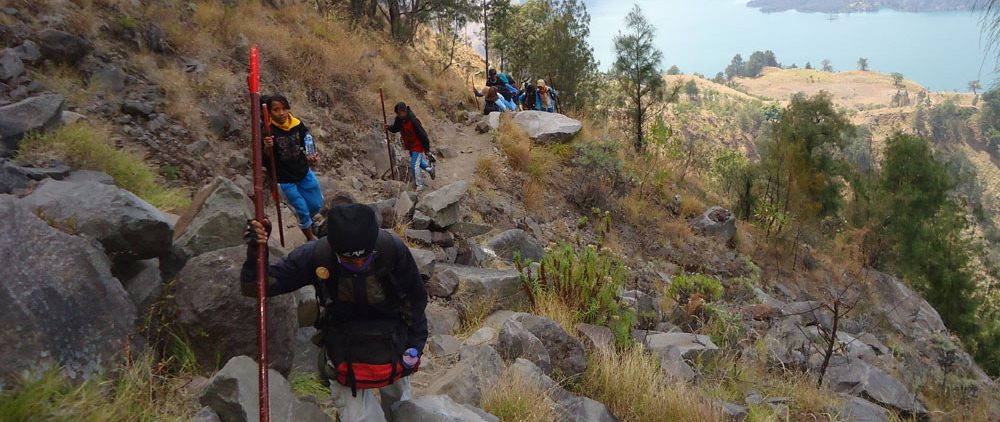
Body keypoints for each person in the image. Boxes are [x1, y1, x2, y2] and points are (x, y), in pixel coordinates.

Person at [241, 203, 429, 422]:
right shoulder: (317, 256)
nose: (358, 264)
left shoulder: (391, 250)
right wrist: (257, 250)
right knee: (363, 419)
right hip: (343, 347)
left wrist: (415, 346)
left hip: (396, 341)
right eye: (349, 259)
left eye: (365, 257)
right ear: (334, 248)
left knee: (399, 407)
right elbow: (256, 286)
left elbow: (416, 300)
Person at [262, 94, 323, 241]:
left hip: (303, 172)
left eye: (284, 109)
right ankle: (310, 237)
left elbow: (307, 142)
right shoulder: (268, 131)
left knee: (316, 204)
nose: (281, 113)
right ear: (269, 112)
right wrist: (266, 147)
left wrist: (312, 155)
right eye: (276, 110)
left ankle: (307, 221)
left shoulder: (297, 124)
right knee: (302, 208)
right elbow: (264, 160)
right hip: (285, 179)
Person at [385, 102, 436, 192]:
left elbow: (423, 135)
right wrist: (389, 127)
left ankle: (419, 186)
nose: (398, 115)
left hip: (418, 144)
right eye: (397, 113)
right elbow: (396, 128)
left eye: (399, 113)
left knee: (414, 164)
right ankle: (430, 169)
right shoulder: (399, 119)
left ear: (404, 111)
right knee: (418, 162)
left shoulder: (414, 120)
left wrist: (427, 150)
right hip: (410, 145)